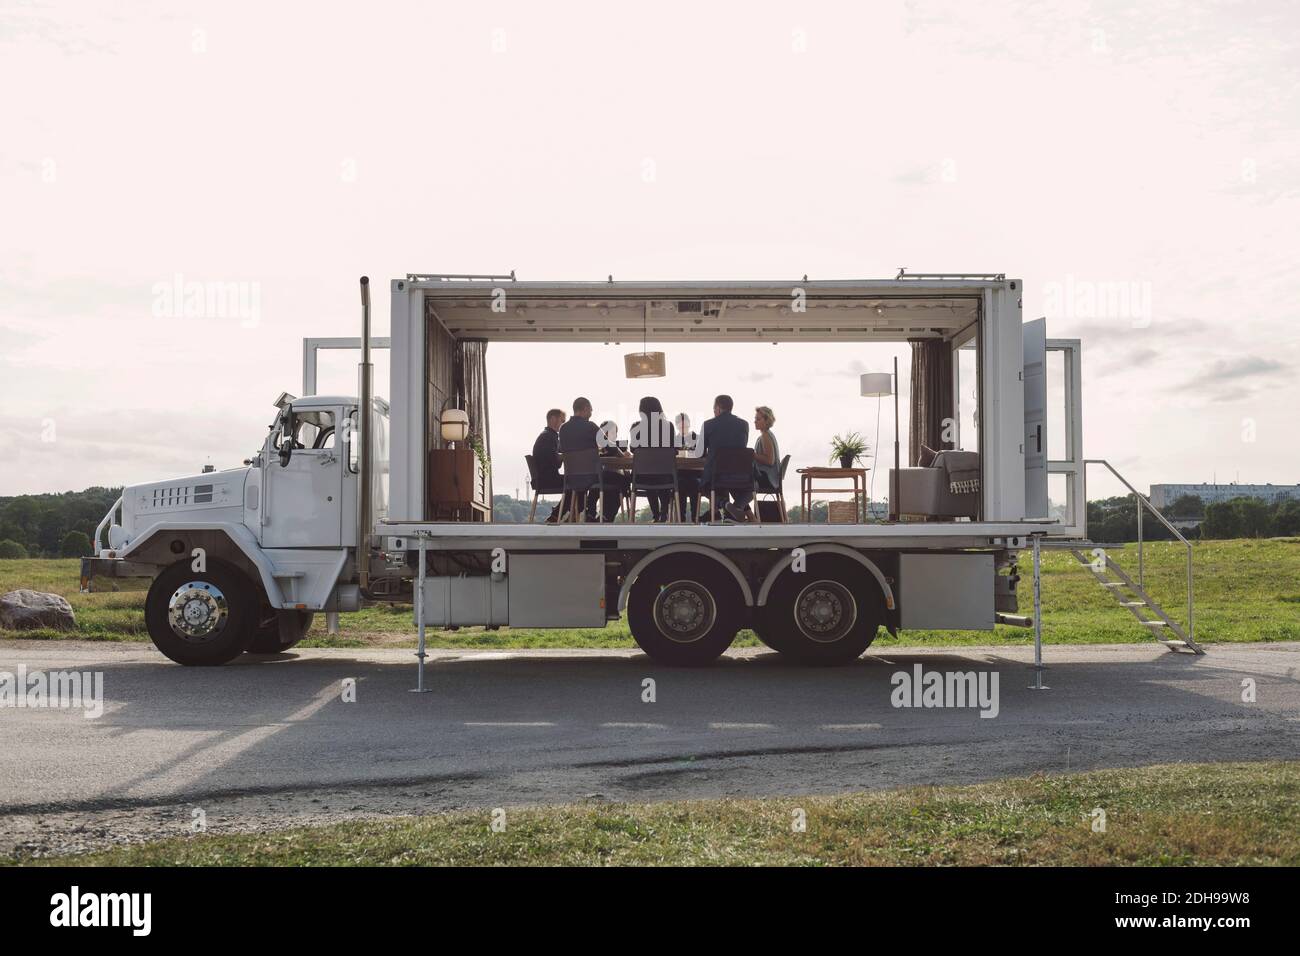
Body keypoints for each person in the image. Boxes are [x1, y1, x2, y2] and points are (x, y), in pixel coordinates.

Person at [699, 394, 751, 522]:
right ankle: (736, 508)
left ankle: (725, 505)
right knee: (753, 487)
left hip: (715, 475)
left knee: (704, 486)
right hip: (740, 475)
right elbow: (741, 447)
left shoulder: (708, 425)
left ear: (717, 408)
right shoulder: (744, 424)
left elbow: (699, 453)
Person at [628, 396, 676, 522]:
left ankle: (656, 514)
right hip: (666, 475)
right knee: (661, 474)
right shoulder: (668, 426)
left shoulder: (635, 427)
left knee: (649, 474)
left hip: (642, 476)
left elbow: (633, 449)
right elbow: (672, 448)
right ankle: (664, 512)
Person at [532, 408, 567, 522]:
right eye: (562, 421)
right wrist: (564, 455)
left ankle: (560, 514)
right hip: (548, 479)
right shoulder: (549, 437)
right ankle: (559, 514)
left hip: (543, 478)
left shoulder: (546, 436)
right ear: (553, 419)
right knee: (577, 483)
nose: (563, 424)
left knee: (575, 481)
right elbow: (554, 462)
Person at [750, 405, 781, 521]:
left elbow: (769, 460)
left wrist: (752, 455)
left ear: (766, 420)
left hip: (768, 479)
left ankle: (744, 512)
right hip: (770, 477)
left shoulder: (765, 436)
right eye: (755, 419)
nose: (755, 421)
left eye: (758, 419)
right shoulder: (767, 435)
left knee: (739, 482)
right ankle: (745, 512)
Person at [596, 420, 631, 521]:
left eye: (615, 432)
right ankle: (606, 516)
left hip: (614, 476)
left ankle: (606, 515)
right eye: (609, 432)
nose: (613, 435)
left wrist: (626, 454)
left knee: (621, 483)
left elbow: (626, 458)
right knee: (622, 482)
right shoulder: (598, 447)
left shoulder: (619, 446)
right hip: (602, 476)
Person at [673, 412, 701, 522]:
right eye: (680, 423)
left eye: (685, 423)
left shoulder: (697, 438)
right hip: (680, 473)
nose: (683, 426)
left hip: (695, 473)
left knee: (694, 483)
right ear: (677, 425)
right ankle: (681, 519)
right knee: (680, 483)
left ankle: (695, 518)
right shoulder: (673, 440)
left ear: (689, 424)